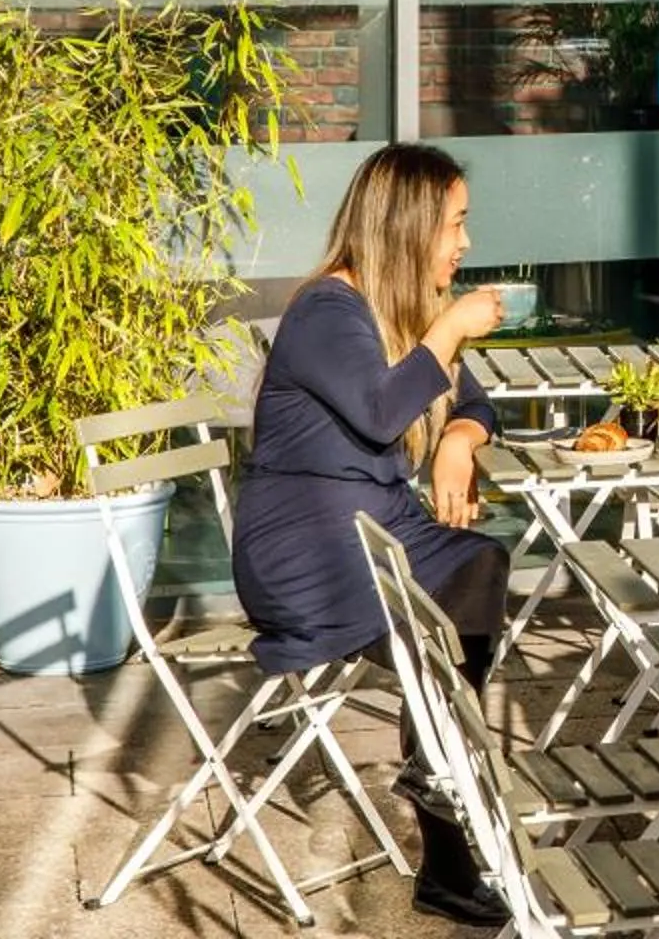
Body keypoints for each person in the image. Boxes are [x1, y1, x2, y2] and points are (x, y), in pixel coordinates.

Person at [232, 142, 511, 927]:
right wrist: (451, 327)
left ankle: (435, 779)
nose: (465, 242)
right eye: (455, 224)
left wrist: (458, 441)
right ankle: (446, 828)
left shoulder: (404, 308)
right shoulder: (328, 310)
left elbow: (475, 404)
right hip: (307, 550)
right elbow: (384, 411)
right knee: (438, 644)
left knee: (480, 565)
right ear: (410, 226)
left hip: (380, 530)